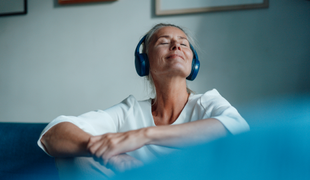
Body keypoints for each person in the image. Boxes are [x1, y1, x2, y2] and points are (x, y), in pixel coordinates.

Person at [37, 23, 250, 180]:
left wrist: (143, 135)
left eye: (184, 44)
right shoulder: (130, 111)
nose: (176, 46)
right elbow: (52, 134)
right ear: (144, 61)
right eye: (164, 42)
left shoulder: (207, 102)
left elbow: (237, 128)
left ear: (193, 63)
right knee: (74, 156)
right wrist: (113, 157)